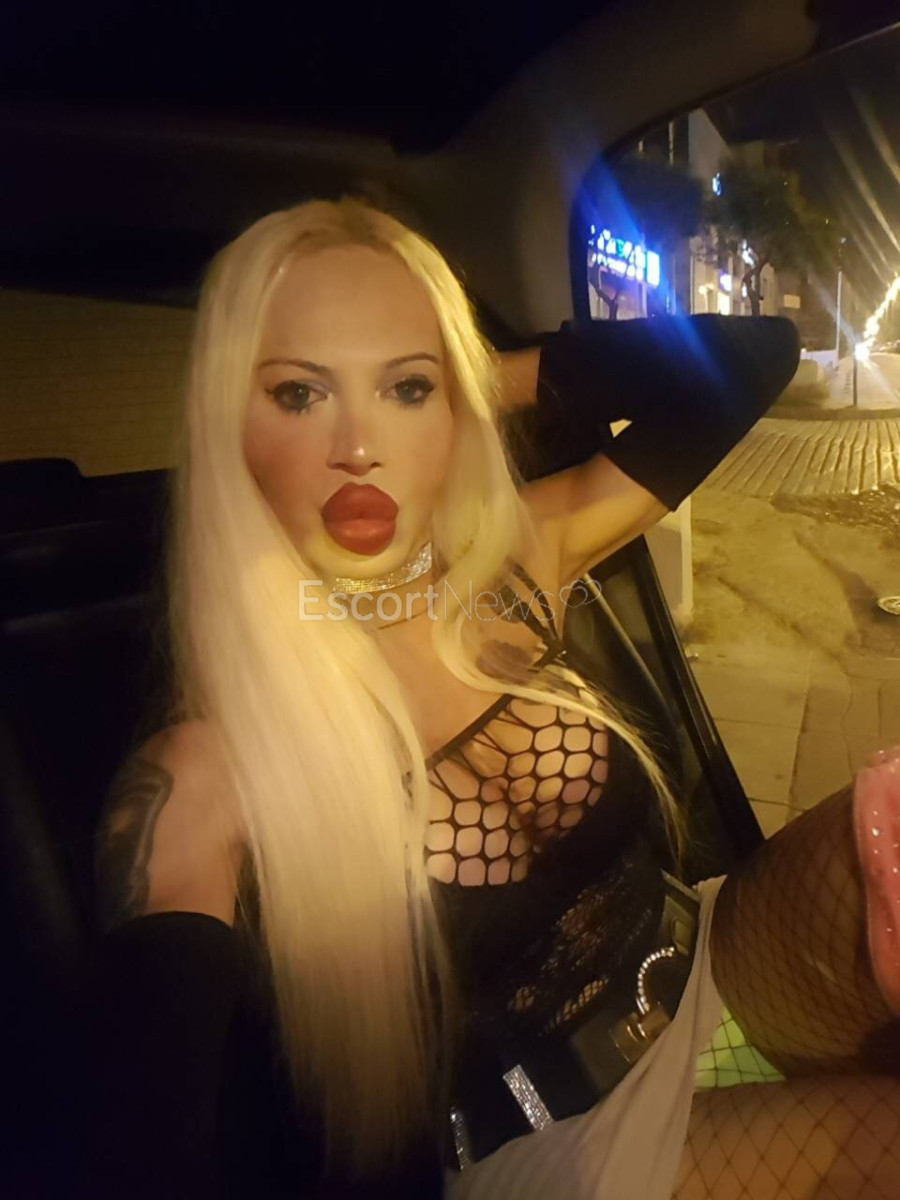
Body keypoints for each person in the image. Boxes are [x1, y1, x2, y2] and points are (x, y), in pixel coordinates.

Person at [79, 196, 900, 1199]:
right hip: (549, 1154)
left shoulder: (514, 561)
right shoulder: (201, 776)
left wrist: (469, 380)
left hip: (707, 968)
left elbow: (750, 356)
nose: (359, 445)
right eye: (299, 394)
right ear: (228, 430)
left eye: (404, 388)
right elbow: (136, 1143)